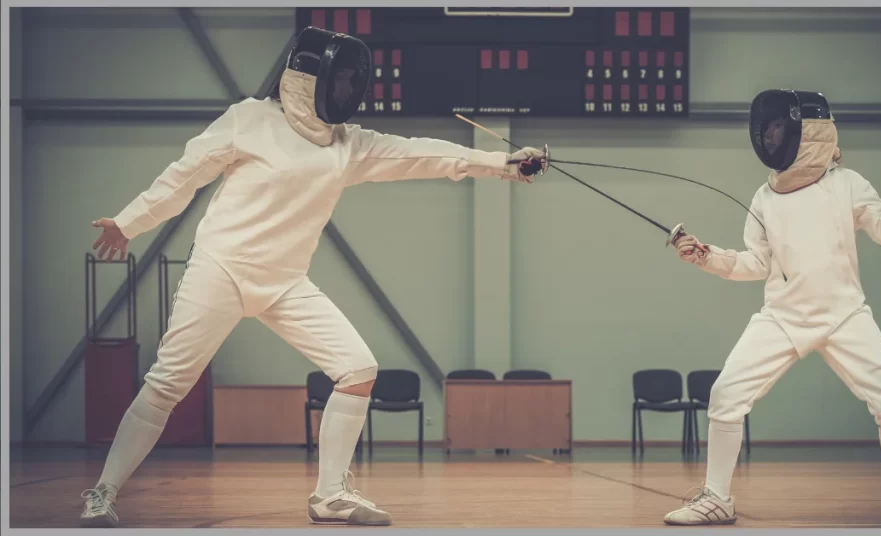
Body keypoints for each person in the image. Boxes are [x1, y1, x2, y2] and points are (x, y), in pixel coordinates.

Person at [80, 27, 549, 528]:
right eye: (340, 81)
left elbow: (424, 154)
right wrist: (129, 222)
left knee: (358, 369)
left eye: (352, 82)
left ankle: (330, 495)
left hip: (285, 281)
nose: (348, 91)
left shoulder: (349, 144)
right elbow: (184, 175)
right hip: (220, 269)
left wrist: (503, 163)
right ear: (307, 81)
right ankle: (102, 492)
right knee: (168, 383)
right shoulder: (250, 120)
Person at [662, 90, 881, 528]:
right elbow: (756, 264)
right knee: (725, 395)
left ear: (809, 131)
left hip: (845, 314)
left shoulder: (847, 183)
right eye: (767, 129)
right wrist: (706, 256)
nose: (769, 135)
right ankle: (717, 499)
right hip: (782, 317)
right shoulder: (765, 197)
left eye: (778, 127)